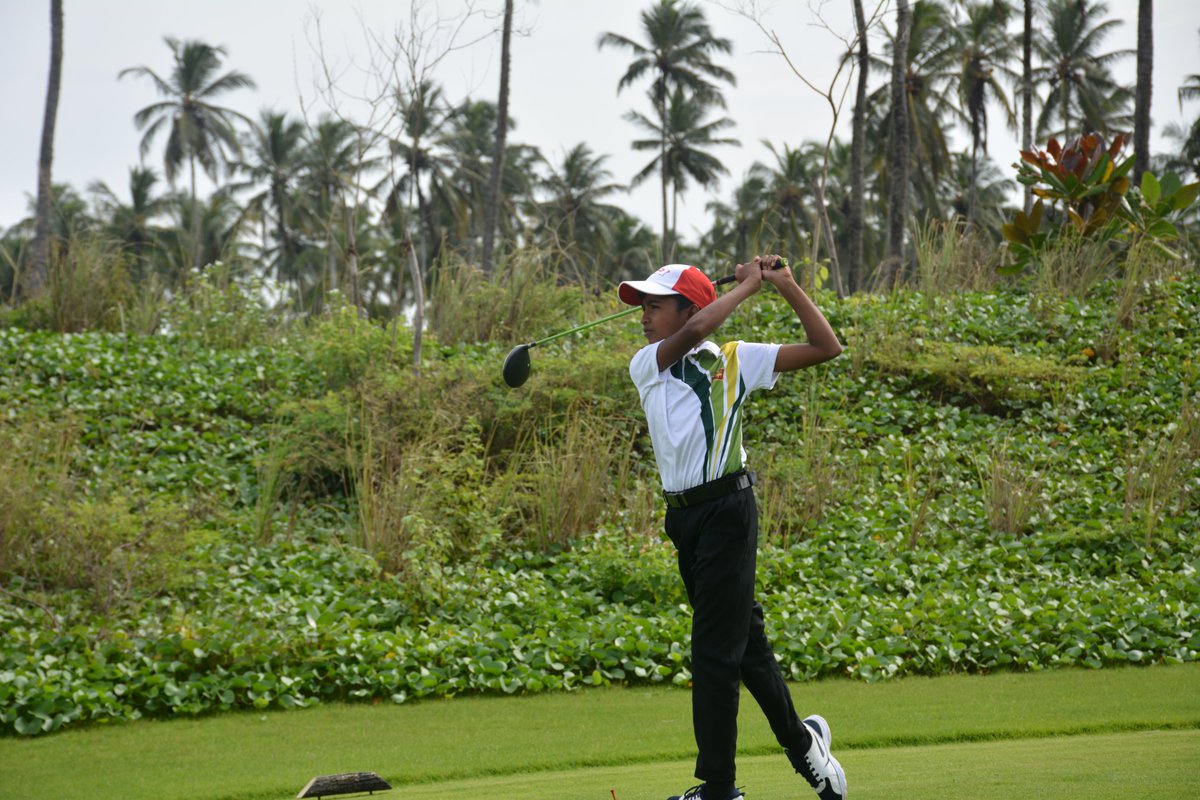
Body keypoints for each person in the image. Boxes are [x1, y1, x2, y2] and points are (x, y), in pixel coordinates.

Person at [617, 256, 847, 800]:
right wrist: (748, 286)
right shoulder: (647, 363)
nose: (644, 316)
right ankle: (805, 744)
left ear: (688, 306)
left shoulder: (734, 360)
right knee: (745, 649)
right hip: (684, 520)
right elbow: (698, 328)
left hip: (728, 510)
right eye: (642, 306)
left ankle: (719, 789)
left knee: (713, 653)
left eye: (655, 306)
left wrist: (783, 285)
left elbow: (826, 346)